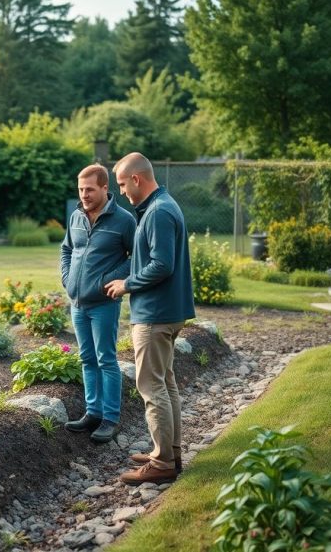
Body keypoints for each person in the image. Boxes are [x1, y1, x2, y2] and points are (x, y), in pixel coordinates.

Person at [105, 152, 195, 485]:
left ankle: (162, 464)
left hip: (155, 315)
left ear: (137, 179)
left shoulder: (158, 212)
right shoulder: (164, 205)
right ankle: (169, 451)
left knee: (151, 386)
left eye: (123, 184)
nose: (123, 192)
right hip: (167, 312)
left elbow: (162, 265)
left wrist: (126, 284)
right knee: (166, 383)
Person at [60, 164, 135, 443]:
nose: (84, 195)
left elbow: (135, 257)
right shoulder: (76, 215)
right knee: (86, 358)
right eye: (80, 189)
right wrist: (67, 279)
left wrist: (109, 280)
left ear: (105, 188)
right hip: (77, 303)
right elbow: (67, 249)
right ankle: (93, 412)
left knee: (106, 359)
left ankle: (111, 418)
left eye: (89, 189)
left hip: (104, 303)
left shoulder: (124, 220)